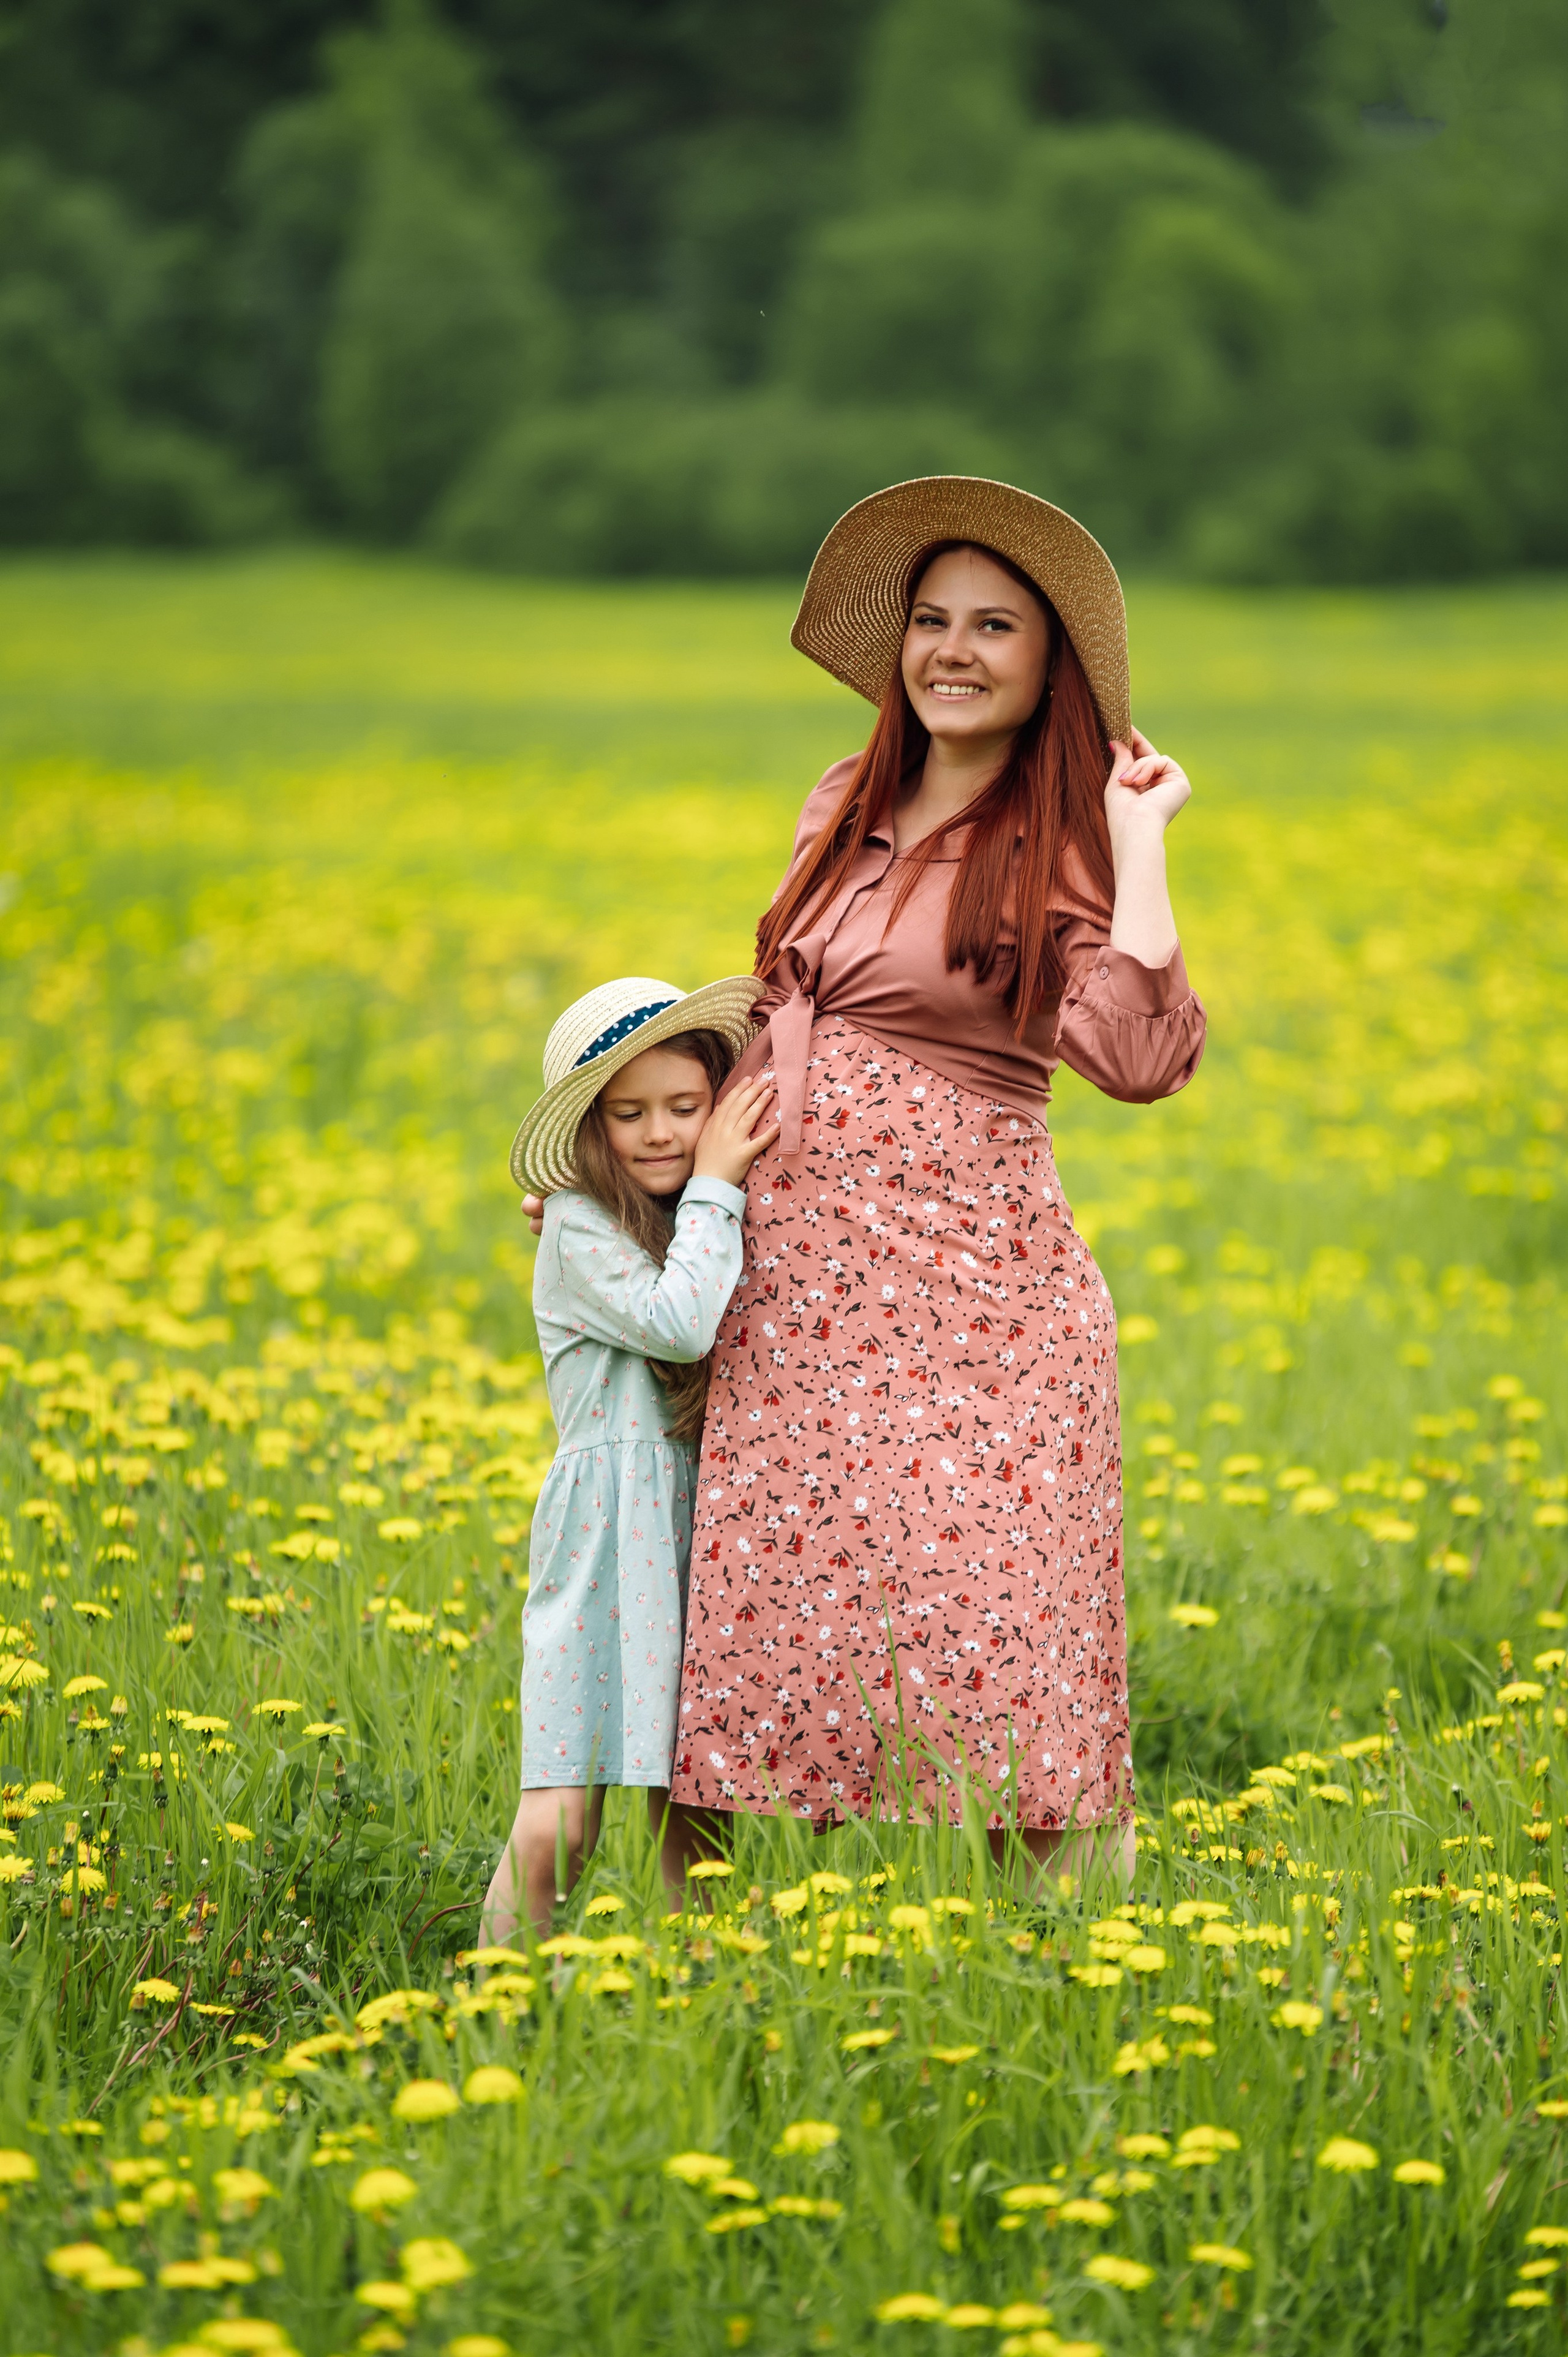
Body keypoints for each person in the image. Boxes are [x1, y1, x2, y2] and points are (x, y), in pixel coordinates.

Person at [664, 476, 1206, 1886]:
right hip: (795, 1306)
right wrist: (642, 1180)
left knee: (1008, 1646)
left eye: (993, 626)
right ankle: (689, 1976)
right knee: (760, 1638)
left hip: (978, 1316)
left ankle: (1072, 1975)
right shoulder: (840, 800)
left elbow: (1137, 1055)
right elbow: (768, 1023)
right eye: (929, 620)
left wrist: (1139, 840)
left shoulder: (1068, 838)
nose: (951, 650)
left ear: (1048, 665)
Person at [482, 973, 777, 1939]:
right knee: (562, 1815)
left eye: (686, 1108)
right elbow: (679, 1323)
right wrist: (720, 1181)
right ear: (590, 1128)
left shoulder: (708, 1211)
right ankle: (497, 1997)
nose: (659, 1132)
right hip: (610, 1534)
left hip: (713, 1521)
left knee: (701, 1805)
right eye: (629, 1113)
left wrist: (721, 1190)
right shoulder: (575, 1222)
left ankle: (701, 2004)